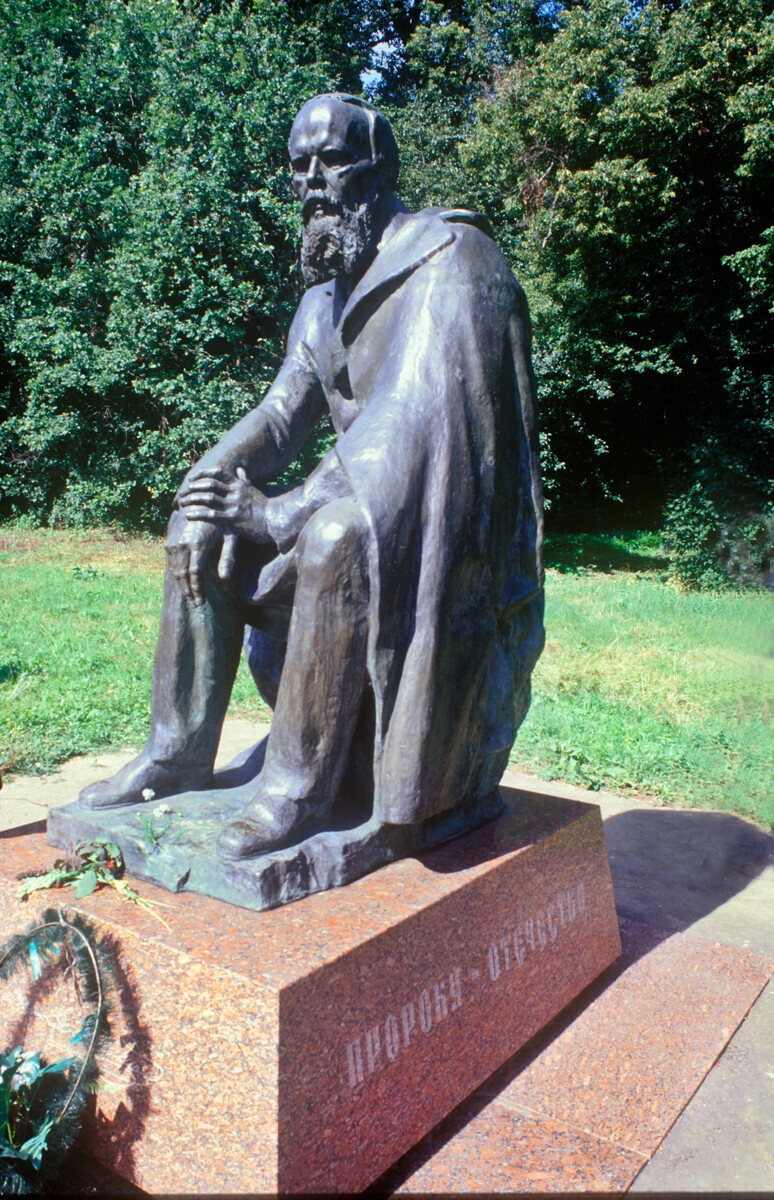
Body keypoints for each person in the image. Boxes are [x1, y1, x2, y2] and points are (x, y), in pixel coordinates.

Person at [80, 93, 545, 872]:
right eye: (300, 165)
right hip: (372, 506)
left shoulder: (451, 259)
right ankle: (177, 749)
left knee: (331, 535)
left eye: (334, 160)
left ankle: (294, 791)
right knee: (201, 525)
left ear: (382, 166)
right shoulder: (319, 301)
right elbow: (282, 411)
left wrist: (281, 513)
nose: (315, 181)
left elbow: (406, 427)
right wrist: (212, 477)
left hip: (442, 540)